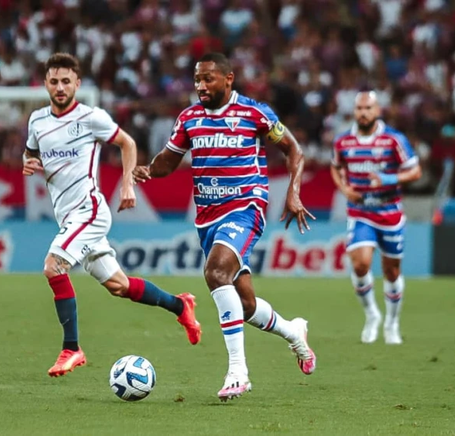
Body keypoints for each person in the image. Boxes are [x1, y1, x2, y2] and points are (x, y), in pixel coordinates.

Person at [133, 52, 316, 401]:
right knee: (244, 306)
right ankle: (294, 332)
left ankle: (238, 371)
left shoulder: (254, 113)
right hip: (208, 217)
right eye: (197, 79)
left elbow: (294, 150)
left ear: (228, 79)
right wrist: (147, 170)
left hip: (246, 207)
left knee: (216, 273)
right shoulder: (189, 118)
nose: (201, 86)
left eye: (208, 79)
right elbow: (169, 160)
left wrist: (293, 193)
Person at [23, 53, 201, 377]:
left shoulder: (92, 117)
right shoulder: (38, 121)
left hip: (89, 210)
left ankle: (72, 349)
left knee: (53, 266)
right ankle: (181, 305)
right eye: (54, 81)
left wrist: (127, 185)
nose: (60, 87)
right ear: (45, 84)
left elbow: (128, 143)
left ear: (77, 83)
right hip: (68, 217)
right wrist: (28, 161)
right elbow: (31, 150)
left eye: (66, 81)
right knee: (119, 286)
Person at [330, 91, 422, 345]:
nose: (363, 113)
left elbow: (415, 171)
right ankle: (372, 314)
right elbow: (335, 167)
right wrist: (345, 189)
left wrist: (390, 179)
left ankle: (392, 323)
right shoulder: (343, 141)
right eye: (359, 108)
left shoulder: (394, 140)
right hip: (361, 213)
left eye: (368, 108)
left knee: (392, 271)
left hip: (389, 212)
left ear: (378, 110)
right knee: (360, 264)